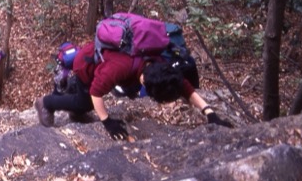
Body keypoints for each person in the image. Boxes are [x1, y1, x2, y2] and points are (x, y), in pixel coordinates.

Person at [33, 42, 233, 140]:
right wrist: (107, 121)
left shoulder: (159, 64)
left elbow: (182, 85)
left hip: (111, 65)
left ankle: (73, 106)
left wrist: (209, 112)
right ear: (144, 81)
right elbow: (96, 91)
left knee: (92, 100)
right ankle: (46, 103)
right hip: (87, 65)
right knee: (84, 103)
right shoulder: (119, 68)